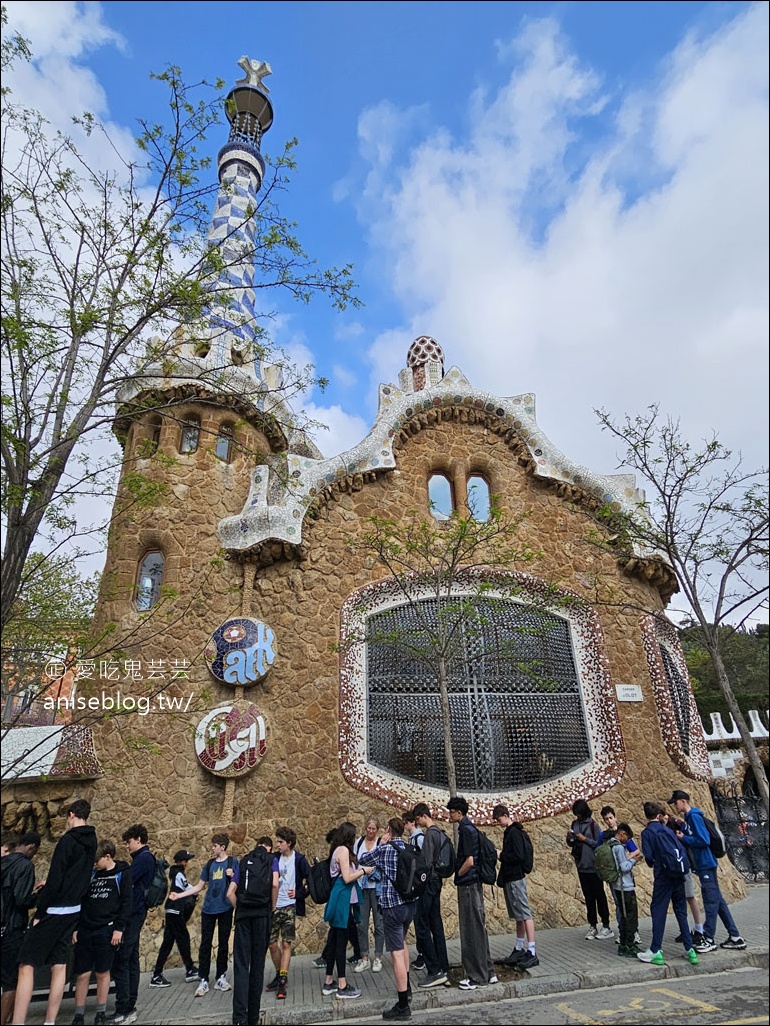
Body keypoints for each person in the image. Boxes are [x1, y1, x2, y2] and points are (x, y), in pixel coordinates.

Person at [12, 799, 97, 1026]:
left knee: (26, 964)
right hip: (74, 910)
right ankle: (50, 1022)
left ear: (71, 815)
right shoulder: (92, 842)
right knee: (59, 965)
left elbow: (57, 878)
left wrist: (40, 911)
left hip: (55, 909)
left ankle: (18, 1021)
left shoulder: (67, 841)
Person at [668, 790, 747, 952]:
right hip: (703, 863)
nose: (674, 805)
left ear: (683, 801)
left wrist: (684, 838)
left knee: (711, 902)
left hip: (705, 863)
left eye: (675, 802)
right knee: (718, 901)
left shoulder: (694, 817)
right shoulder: (689, 819)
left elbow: (703, 840)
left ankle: (708, 938)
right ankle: (735, 936)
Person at [358, 817, 417, 1020]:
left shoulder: (385, 849)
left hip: (392, 906)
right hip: (410, 904)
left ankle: (402, 1005)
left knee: (396, 954)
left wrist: (382, 843)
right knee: (403, 944)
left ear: (389, 831)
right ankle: (407, 988)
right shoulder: (408, 848)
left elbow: (363, 860)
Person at [71, 839, 133, 1026]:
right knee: (81, 974)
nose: (95, 865)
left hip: (107, 928)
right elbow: (80, 900)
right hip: (86, 928)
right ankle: (79, 1014)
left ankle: (100, 1011)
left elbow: (126, 903)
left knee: (102, 972)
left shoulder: (121, 874)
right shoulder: (91, 875)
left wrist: (119, 928)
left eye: (97, 861)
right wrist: (76, 927)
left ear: (107, 857)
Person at [171, 832, 239, 997]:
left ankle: (221, 976)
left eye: (214, 846)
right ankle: (203, 979)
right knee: (205, 945)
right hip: (209, 909)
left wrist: (233, 875)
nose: (212, 848)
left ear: (222, 847)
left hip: (225, 908)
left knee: (223, 944)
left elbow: (239, 883)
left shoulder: (233, 862)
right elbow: (198, 887)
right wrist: (178, 895)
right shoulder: (209, 865)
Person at [637, 801, 698, 967]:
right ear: (658, 815)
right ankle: (690, 949)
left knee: (658, 910)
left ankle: (656, 949)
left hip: (663, 877)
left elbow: (649, 858)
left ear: (646, 815)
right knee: (680, 911)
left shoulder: (647, 833)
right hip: (679, 875)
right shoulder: (667, 830)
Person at [446, 796, 496, 991]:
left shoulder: (465, 831)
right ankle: (489, 971)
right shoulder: (471, 828)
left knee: (471, 931)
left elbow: (469, 861)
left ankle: (476, 977)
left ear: (459, 813)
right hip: (474, 884)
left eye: (451, 812)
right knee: (479, 928)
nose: (449, 815)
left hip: (468, 885)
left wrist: (457, 875)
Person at [108, 823, 155, 1025]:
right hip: (137, 912)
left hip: (133, 913)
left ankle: (125, 1007)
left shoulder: (143, 859)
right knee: (131, 959)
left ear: (138, 839)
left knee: (124, 960)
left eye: (129, 842)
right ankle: (129, 1005)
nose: (127, 846)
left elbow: (124, 881)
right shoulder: (143, 858)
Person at [227, 837, 276, 1026]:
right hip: (262, 915)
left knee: (241, 965)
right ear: (269, 847)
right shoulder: (272, 860)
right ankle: (253, 1016)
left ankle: (239, 1017)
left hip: (243, 917)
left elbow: (230, 893)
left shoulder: (243, 861)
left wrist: (239, 908)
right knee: (257, 966)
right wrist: (271, 908)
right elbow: (274, 885)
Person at [264, 826, 311, 1000]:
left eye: (281, 842)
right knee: (271, 943)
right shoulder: (274, 858)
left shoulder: (299, 859)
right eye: (277, 841)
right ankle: (279, 974)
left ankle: (282, 979)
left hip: (290, 905)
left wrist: (299, 893)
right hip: (275, 906)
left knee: (286, 944)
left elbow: (310, 878)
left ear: (289, 843)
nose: (277, 844)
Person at [322, 822, 366, 1002]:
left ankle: (329, 981)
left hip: (340, 900)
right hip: (343, 901)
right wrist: (363, 871)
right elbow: (347, 877)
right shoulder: (343, 851)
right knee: (340, 942)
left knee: (333, 941)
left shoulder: (337, 850)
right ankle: (342, 985)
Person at [0, 831, 40, 1026]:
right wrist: (39, 896)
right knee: (11, 981)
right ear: (31, 847)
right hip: (11, 929)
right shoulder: (25, 866)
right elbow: (22, 899)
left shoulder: (3, 862)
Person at [493, 804, 538, 969]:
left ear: (505, 816)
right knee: (519, 915)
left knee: (524, 913)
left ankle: (532, 950)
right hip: (511, 877)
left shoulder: (514, 833)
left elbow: (517, 855)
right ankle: (519, 947)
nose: (498, 823)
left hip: (516, 877)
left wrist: (501, 855)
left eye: (498, 820)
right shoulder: (511, 832)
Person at [411, 804, 449, 987]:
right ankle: (444, 967)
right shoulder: (440, 833)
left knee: (422, 926)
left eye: (417, 819)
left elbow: (425, 863)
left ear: (423, 816)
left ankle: (434, 970)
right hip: (437, 883)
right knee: (436, 925)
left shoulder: (429, 836)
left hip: (428, 885)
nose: (416, 823)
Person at [150, 849, 199, 987]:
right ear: (181, 862)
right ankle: (189, 969)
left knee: (168, 942)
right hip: (175, 911)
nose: (187, 863)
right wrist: (196, 890)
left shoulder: (176, 873)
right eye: (186, 860)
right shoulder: (178, 873)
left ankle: (157, 974)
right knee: (183, 939)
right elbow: (186, 887)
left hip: (172, 911)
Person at [567, 799, 613, 940]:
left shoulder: (593, 825)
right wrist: (570, 838)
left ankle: (606, 925)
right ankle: (592, 925)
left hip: (593, 867)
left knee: (599, 896)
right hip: (581, 866)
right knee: (588, 898)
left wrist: (584, 839)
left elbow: (598, 844)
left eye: (579, 814)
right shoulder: (574, 824)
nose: (578, 817)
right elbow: (570, 843)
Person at [600, 806, 642, 945]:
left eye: (611, 818)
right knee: (627, 910)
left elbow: (635, 849)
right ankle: (628, 936)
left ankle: (626, 934)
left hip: (614, 880)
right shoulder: (615, 843)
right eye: (606, 819)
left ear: (615, 817)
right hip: (622, 882)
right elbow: (624, 866)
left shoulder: (612, 840)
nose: (609, 821)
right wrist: (631, 860)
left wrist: (628, 856)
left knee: (621, 907)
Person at [352, 817, 384, 973]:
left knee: (379, 924)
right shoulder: (359, 843)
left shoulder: (380, 844)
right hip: (361, 887)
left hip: (376, 888)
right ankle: (364, 957)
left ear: (377, 830)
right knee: (362, 924)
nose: (371, 831)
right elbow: (354, 862)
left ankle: (378, 957)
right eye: (369, 828)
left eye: (374, 829)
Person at [610, 823, 641, 958]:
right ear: (621, 834)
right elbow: (624, 867)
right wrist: (634, 860)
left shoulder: (610, 844)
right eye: (626, 837)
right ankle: (629, 945)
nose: (627, 841)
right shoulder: (618, 847)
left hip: (617, 886)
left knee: (623, 916)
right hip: (625, 886)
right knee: (630, 917)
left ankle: (623, 944)